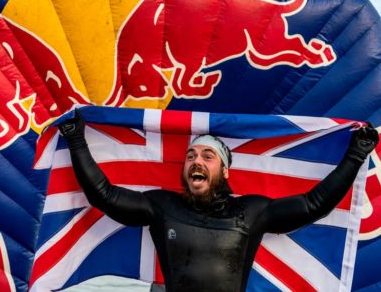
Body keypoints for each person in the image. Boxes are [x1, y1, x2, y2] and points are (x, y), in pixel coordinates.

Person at [58, 110, 379, 292]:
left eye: (207, 156)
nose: (196, 161)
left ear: (224, 170)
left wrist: (355, 154)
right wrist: (76, 139)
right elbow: (103, 195)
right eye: (191, 156)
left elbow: (314, 204)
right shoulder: (161, 206)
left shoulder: (251, 212)